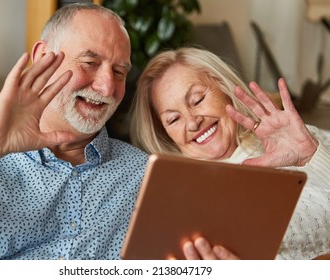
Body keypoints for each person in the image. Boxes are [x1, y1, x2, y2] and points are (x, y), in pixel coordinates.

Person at [0, 3, 149, 260]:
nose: (107, 87)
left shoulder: (145, 175)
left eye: (119, 72)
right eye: (89, 62)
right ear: (43, 57)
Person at [130, 47, 330, 260]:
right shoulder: (178, 201)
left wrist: (311, 156)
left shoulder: (297, 136)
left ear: (224, 87)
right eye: (173, 119)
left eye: (197, 100)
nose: (192, 121)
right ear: (165, 134)